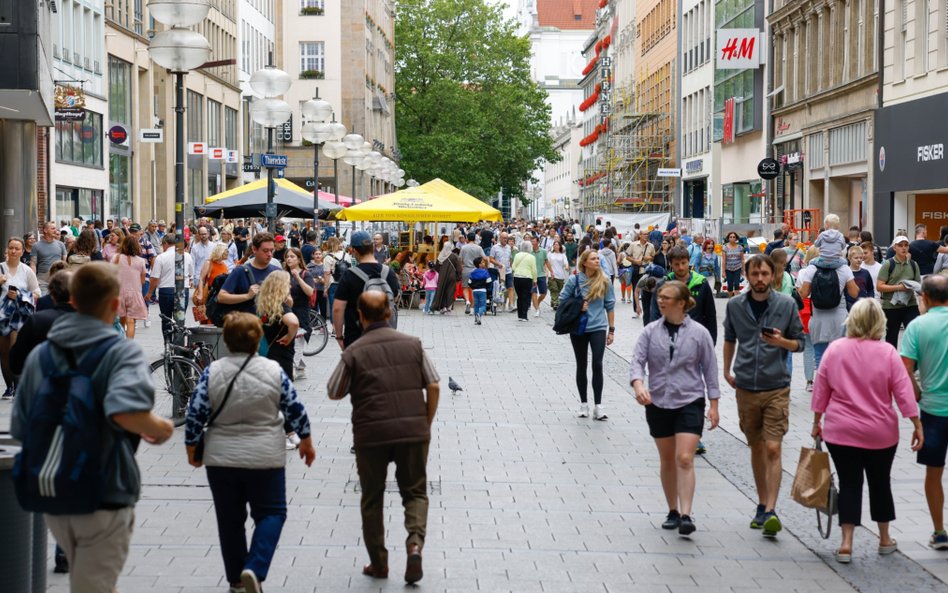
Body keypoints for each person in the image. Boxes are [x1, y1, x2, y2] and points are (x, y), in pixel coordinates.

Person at [11, 262, 174, 593]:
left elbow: (20, 426)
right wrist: (161, 428)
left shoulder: (42, 354)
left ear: (73, 301)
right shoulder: (120, 352)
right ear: (115, 305)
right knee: (94, 584)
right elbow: (126, 412)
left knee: (94, 578)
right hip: (103, 489)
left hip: (52, 489)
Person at [185, 312, 315, 593]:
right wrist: (305, 440)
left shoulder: (213, 372)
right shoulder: (273, 371)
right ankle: (254, 568)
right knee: (272, 513)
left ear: (227, 340)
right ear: (258, 340)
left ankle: (235, 581)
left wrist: (192, 447)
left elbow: (195, 413)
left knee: (229, 521)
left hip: (221, 459)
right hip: (265, 455)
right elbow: (295, 409)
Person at [327, 291, 440, 585]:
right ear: (389, 313)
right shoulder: (413, 345)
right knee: (415, 492)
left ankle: (379, 563)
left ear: (360, 316)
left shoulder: (354, 351)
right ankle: (414, 544)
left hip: (371, 434)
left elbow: (334, 390)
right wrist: (425, 422)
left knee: (372, 498)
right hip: (413, 432)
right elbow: (435, 384)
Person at [809, 298, 922, 563]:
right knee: (880, 483)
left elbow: (821, 390)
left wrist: (817, 422)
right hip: (881, 432)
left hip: (840, 430)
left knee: (850, 483)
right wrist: (916, 424)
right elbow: (903, 393)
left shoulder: (835, 350)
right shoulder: (887, 353)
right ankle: (884, 538)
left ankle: (846, 543)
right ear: (880, 323)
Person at [722, 254, 805, 538]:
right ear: (746, 275)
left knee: (773, 447)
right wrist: (726, 370)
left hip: (776, 385)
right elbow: (729, 338)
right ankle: (761, 503)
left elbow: (800, 343)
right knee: (756, 447)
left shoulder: (786, 304)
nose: (760, 279)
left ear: (773, 276)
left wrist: (782, 342)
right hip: (745, 385)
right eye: (755, 274)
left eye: (765, 274)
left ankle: (771, 509)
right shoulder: (735, 306)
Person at [631, 280, 720, 535]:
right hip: (657, 400)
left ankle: (686, 514)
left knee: (684, 457)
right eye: (660, 297)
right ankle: (672, 510)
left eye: (667, 297)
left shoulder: (699, 333)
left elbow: (710, 370)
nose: (661, 301)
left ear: (681, 303)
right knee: (668, 459)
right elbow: (637, 362)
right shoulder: (650, 331)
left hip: (690, 399)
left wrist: (714, 405)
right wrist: (638, 386)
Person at [900, 275, 948, 550]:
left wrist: (916, 394)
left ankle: (939, 531)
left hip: (933, 409)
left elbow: (905, 370)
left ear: (926, 298)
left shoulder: (918, 327)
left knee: (934, 472)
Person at [559, 249, 615, 420]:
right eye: (593, 259)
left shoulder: (605, 281)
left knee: (597, 364)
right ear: (584, 262)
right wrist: (578, 305)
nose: (597, 261)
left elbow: (610, 306)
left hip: (598, 327)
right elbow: (562, 299)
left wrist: (611, 330)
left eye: (598, 258)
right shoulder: (574, 280)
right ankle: (584, 404)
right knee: (581, 364)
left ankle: (598, 406)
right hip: (579, 328)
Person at [332, 231, 401, 350]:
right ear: (372, 248)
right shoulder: (388, 272)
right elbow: (394, 298)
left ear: (354, 251)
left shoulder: (349, 275)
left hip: (356, 338)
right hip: (384, 337)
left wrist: (339, 336)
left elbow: (338, 308)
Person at [797, 246, 860, 369]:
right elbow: (854, 293)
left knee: (820, 356)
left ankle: (823, 385)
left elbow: (803, 294)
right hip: (839, 318)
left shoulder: (811, 268)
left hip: (818, 317)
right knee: (839, 356)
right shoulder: (844, 268)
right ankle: (837, 384)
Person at [649, 247, 717, 344]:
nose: (680, 267)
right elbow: (655, 314)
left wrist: (711, 342)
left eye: (683, 263)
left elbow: (710, 315)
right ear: (670, 264)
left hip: (696, 340)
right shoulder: (663, 285)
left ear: (689, 261)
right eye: (676, 264)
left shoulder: (701, 284)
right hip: (668, 341)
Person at [0, 238, 40, 398]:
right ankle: (9, 386)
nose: (14, 251)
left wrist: (20, 295)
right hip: (2, 315)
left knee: (14, 350)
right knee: (3, 353)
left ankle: (18, 384)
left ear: (22, 251)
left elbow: (37, 292)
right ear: (7, 250)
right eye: (11, 248)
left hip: (19, 316)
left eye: (17, 248)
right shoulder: (1, 269)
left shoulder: (26, 270)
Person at [217, 233, 281, 315]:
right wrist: (247, 296)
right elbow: (221, 297)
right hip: (246, 324)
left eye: (271, 250)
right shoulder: (240, 271)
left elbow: (289, 303)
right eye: (265, 251)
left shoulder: (277, 272)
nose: (269, 254)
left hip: (271, 324)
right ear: (254, 249)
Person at [145, 235, 195, 338]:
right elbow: (191, 273)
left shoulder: (161, 257)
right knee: (180, 319)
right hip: (182, 291)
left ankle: (168, 344)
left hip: (166, 290)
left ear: (165, 244)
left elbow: (155, 278)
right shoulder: (187, 256)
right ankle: (178, 344)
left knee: (166, 320)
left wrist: (149, 293)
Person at [877, 235, 921, 348]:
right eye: (900, 245)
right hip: (891, 306)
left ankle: (913, 364)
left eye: (906, 245)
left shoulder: (913, 264)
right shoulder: (888, 264)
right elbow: (879, 286)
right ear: (894, 248)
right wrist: (899, 288)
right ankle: (891, 363)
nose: (903, 248)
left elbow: (918, 285)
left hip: (910, 304)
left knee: (915, 335)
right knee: (891, 338)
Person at [283, 248, 315, 378]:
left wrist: (297, 277)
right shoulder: (283, 274)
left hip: (301, 311)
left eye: (292, 256)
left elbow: (309, 292)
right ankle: (300, 368)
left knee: (297, 341)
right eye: (287, 257)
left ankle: (293, 369)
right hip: (286, 311)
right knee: (289, 341)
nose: (289, 259)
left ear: (298, 259)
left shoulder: (305, 274)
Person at [111, 234, 147, 339]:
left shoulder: (116, 258)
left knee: (121, 320)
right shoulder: (140, 261)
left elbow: (110, 274)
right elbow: (143, 280)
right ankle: (129, 345)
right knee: (131, 322)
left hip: (119, 292)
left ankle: (121, 344)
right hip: (134, 292)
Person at [194, 243, 230, 325]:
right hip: (209, 295)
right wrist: (200, 293)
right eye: (226, 251)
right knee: (204, 320)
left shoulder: (224, 265)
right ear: (220, 252)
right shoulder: (209, 263)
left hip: (219, 296)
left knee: (215, 318)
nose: (228, 253)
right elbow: (201, 279)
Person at [33, 220, 67, 294]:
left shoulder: (61, 244)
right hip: (42, 281)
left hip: (58, 280)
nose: (55, 230)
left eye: (55, 228)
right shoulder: (36, 246)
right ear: (45, 230)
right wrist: (34, 280)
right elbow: (33, 264)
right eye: (53, 228)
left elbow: (65, 263)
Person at [429, 241, 461, 314]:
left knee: (441, 290)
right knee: (450, 291)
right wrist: (459, 277)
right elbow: (458, 268)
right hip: (452, 276)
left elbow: (436, 267)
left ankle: (440, 306)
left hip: (442, 276)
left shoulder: (440, 256)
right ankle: (448, 306)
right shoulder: (454, 256)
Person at [459, 232, 486, 314]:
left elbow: (460, 259)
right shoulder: (479, 248)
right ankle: (472, 308)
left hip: (466, 269)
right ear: (475, 239)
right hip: (476, 270)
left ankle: (467, 301)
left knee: (465, 287)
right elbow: (484, 258)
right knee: (474, 289)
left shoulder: (463, 248)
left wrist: (461, 266)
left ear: (467, 238)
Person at [511, 241, 537, 322]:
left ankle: (519, 315)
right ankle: (524, 316)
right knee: (526, 296)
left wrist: (518, 271)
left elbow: (513, 266)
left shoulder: (517, 255)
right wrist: (535, 280)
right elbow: (534, 270)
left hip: (517, 277)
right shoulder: (532, 257)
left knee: (519, 297)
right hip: (527, 278)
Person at [845, 245, 875, 310]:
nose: (859, 260)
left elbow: (870, 289)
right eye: (856, 258)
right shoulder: (845, 272)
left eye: (861, 258)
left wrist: (870, 300)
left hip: (864, 305)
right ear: (849, 258)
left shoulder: (865, 273)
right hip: (849, 304)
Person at [530, 235, 554, 317]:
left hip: (541, 274)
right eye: (531, 241)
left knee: (544, 293)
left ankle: (536, 302)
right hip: (532, 276)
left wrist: (552, 272)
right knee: (534, 292)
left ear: (538, 242)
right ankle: (537, 309)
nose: (532, 243)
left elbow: (547, 262)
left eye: (534, 241)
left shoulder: (543, 251)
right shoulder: (529, 251)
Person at [468, 256, 491, 325]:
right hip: (483, 291)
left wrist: (473, 287)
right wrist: (486, 288)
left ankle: (476, 319)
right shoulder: (485, 272)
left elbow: (469, 282)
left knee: (476, 305)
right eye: (483, 262)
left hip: (475, 291)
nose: (484, 263)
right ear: (479, 264)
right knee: (483, 305)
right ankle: (479, 314)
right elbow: (489, 282)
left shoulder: (472, 273)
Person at [721, 232, 744, 297]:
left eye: (734, 237)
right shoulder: (725, 247)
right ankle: (730, 298)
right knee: (730, 285)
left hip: (737, 267)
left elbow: (742, 259)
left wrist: (742, 269)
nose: (732, 238)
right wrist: (723, 271)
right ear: (728, 238)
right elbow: (724, 260)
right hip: (728, 268)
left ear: (736, 238)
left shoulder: (740, 247)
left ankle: (736, 299)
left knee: (737, 284)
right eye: (730, 237)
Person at [547, 241, 569, 309]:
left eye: (557, 245)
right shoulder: (550, 254)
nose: (555, 246)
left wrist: (567, 267)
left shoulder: (563, 255)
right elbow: (547, 263)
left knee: (559, 290)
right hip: (552, 274)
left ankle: (554, 301)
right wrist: (547, 272)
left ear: (560, 246)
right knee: (554, 289)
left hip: (560, 275)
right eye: (554, 245)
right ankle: (556, 303)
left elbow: (566, 262)